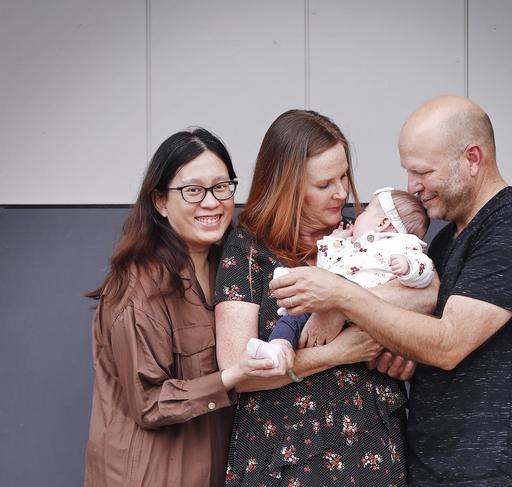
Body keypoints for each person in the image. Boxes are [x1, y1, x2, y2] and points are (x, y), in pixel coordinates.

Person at [269, 95, 512, 486]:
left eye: (423, 172)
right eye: (407, 172)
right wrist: (402, 345)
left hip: (495, 469)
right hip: (430, 464)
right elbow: (422, 320)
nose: (412, 187)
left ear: (473, 158)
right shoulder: (445, 242)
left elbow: (448, 344)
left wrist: (339, 297)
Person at [214, 109, 434, 486]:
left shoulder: (366, 237)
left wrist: (338, 302)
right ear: (285, 185)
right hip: (283, 454)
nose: (342, 192)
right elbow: (237, 371)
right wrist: (342, 351)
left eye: (344, 175)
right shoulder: (249, 250)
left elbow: (427, 293)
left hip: (370, 444)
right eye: (324, 184)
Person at [84, 128, 280, 487]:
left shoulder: (235, 269)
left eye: (222, 187)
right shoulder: (138, 285)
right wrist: (231, 377)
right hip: (149, 475)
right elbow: (149, 402)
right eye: (193, 190)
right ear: (159, 201)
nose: (211, 202)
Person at [249, 187, 433, 363]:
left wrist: (408, 267)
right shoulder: (353, 246)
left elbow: (426, 270)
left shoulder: (403, 246)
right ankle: (279, 347)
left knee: (326, 289)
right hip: (327, 297)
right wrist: (335, 241)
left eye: (366, 210)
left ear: (382, 222)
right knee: (293, 316)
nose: (358, 216)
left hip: (359, 313)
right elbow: (327, 268)